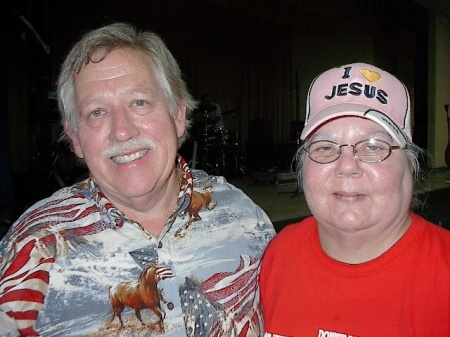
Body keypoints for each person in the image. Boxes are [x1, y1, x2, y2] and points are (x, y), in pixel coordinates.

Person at [0, 23, 275, 336]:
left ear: (178, 116)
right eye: (96, 112)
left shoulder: (246, 220)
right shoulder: (35, 246)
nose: (122, 130)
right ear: (74, 137)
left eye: (139, 103)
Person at [260, 62, 450, 336]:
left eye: (373, 147)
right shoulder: (278, 256)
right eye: (325, 147)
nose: (346, 166)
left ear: (410, 166)